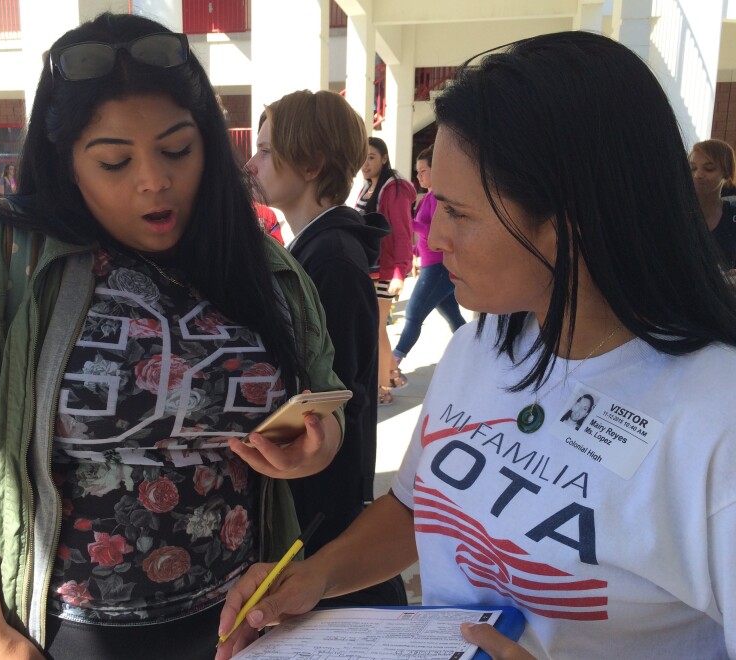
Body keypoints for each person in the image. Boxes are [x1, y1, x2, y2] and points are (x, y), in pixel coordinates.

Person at [217, 31, 736, 660]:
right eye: (435, 201)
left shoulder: (716, 420)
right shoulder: (483, 347)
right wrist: (318, 577)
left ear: (566, 226)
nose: (432, 234)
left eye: (458, 212)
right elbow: (416, 510)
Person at [0, 13, 344, 660]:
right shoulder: (0, 255)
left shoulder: (259, 264)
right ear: (65, 163)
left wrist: (314, 448)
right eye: (114, 160)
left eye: (176, 150)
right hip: (58, 636)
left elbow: (323, 393)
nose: (153, 179)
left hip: (243, 630)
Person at [246, 89, 390, 553]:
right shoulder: (315, 248)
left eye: (266, 151)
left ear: (311, 166)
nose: (252, 164)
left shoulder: (331, 261)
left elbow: (336, 396)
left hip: (321, 502)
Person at [392, 145, 466, 368]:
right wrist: (414, 252)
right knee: (455, 320)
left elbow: (436, 232)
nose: (418, 176)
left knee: (414, 314)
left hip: (438, 266)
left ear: (436, 170)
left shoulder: (440, 198)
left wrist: (408, 222)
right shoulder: (429, 197)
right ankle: (478, 353)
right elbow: (425, 237)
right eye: (417, 172)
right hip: (432, 265)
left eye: (422, 171)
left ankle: (392, 363)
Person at [355, 137, 415, 405]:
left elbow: (403, 232)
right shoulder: (367, 188)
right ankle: (390, 375)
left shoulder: (395, 189)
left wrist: (400, 273)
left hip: (386, 269)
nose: (365, 163)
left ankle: (382, 387)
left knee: (375, 328)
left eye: (371, 157)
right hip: (369, 269)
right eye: (363, 158)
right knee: (373, 328)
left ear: (384, 158)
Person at [689, 139, 736, 271]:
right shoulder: (673, 213)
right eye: (692, 168)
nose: (698, 175)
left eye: (709, 169)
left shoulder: (733, 216)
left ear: (726, 173)